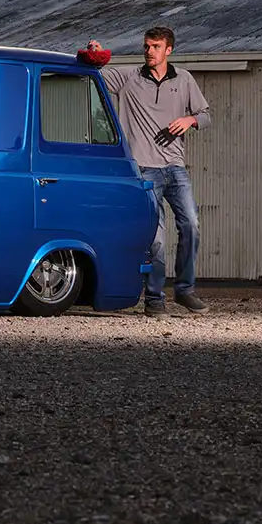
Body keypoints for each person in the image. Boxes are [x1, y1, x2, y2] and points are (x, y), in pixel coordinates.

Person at [82, 28, 213, 318]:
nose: (149, 51)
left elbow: (206, 115)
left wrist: (190, 119)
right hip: (143, 171)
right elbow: (95, 73)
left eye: (155, 46)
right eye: (146, 46)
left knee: (191, 224)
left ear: (169, 50)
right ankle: (154, 300)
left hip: (176, 169)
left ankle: (184, 290)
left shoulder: (184, 79)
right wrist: (95, 51)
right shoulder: (129, 77)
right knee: (155, 239)